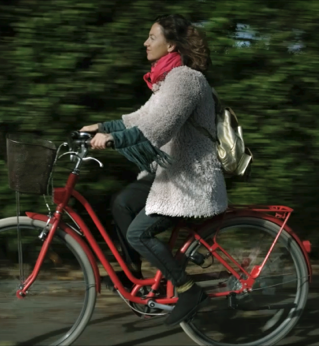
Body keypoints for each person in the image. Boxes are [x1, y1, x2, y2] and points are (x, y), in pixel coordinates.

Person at [79, 14, 228, 327]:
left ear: (171, 44)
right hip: (172, 175)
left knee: (138, 232)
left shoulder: (186, 80)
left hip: (191, 180)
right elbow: (141, 118)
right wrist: (101, 126)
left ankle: (188, 290)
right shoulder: (168, 80)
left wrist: (112, 138)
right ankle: (134, 280)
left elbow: (157, 128)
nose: (145, 43)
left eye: (152, 37)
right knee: (122, 202)